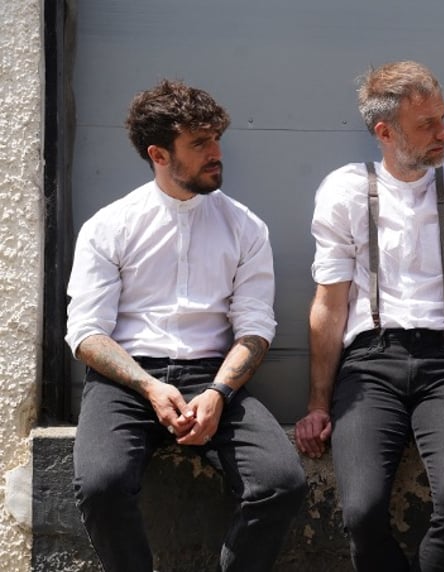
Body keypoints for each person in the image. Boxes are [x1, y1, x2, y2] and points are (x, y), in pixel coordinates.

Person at [67, 80, 307, 572]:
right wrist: (149, 387)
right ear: (158, 154)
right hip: (126, 380)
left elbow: (256, 327)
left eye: (216, 138)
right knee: (101, 485)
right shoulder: (109, 226)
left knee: (281, 482)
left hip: (211, 376)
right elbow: (86, 333)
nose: (216, 153)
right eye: (199, 143)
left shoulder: (245, 226)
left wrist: (219, 392)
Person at [294, 60, 444, 571]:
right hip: (369, 364)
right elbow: (329, 303)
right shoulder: (345, 189)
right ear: (385, 132)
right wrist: (317, 403)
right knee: (361, 511)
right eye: (428, 124)